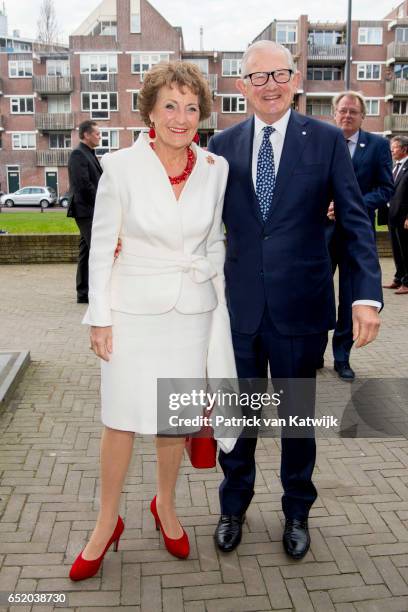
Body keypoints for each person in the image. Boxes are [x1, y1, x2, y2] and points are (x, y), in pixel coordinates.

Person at [208, 40, 382, 560]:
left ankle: (297, 512)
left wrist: (366, 296)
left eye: (279, 74)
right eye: (257, 77)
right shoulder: (220, 145)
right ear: (242, 87)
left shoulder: (327, 140)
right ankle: (233, 506)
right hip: (239, 310)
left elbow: (355, 221)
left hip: (301, 309)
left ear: (295, 79)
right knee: (237, 420)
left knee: (296, 421)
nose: (269, 85)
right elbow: (196, 221)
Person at [69, 61, 237, 581]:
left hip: (191, 312)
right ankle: (105, 521)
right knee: (119, 419)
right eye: (170, 105)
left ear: (201, 113)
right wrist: (99, 318)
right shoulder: (119, 166)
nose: (181, 118)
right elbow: (100, 246)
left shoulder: (215, 168)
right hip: (132, 312)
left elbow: (213, 240)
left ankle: (164, 505)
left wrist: (209, 267)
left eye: (191, 107)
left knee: (174, 421)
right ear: (149, 109)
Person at [321, 91, 394, 380]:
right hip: (322, 233)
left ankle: (342, 357)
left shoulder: (377, 146)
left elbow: (386, 188)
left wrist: (351, 205)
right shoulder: (322, 143)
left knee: (351, 297)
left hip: (356, 235)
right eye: (343, 111)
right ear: (334, 114)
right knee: (316, 295)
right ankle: (314, 351)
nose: (347, 115)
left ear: (363, 116)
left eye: (354, 111)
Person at [67, 120, 102, 304]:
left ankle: (83, 292)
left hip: (90, 209)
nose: (99, 136)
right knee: (96, 250)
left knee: (86, 251)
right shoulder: (78, 154)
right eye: (96, 133)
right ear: (86, 135)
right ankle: (90, 291)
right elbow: (84, 185)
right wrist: (103, 203)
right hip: (85, 210)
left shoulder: (90, 154)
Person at [383, 135, 408, 294]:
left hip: (404, 216)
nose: (392, 150)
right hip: (392, 215)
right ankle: (399, 278)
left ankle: (407, 282)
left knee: (406, 249)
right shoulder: (394, 166)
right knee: (396, 249)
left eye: (395, 147)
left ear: (405, 149)